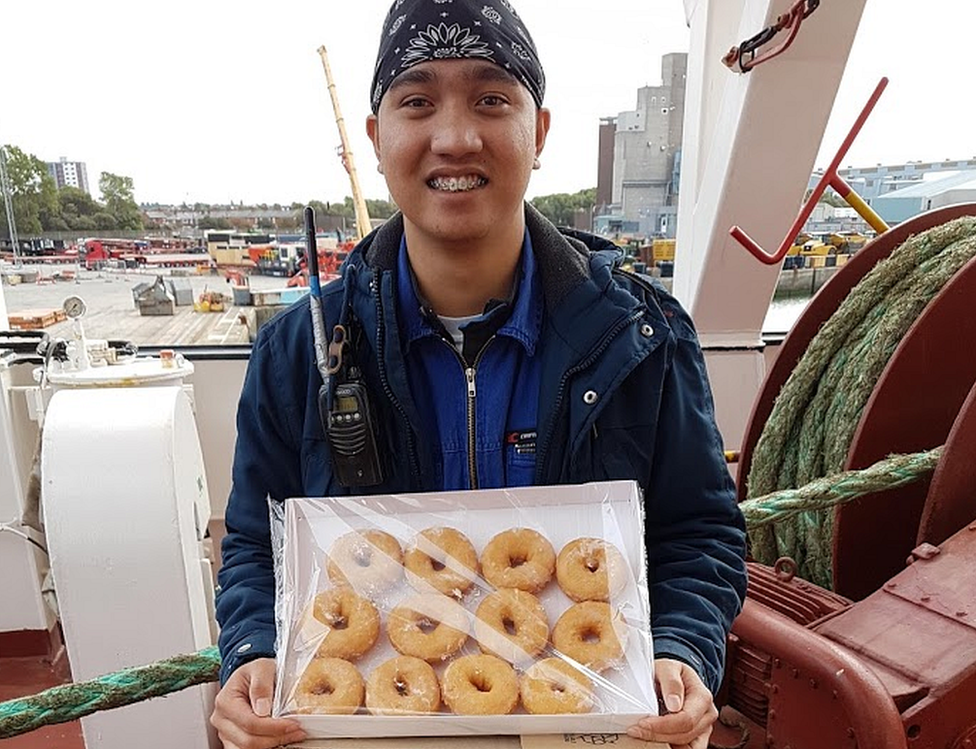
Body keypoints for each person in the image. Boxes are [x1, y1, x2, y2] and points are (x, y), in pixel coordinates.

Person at [211, 1, 747, 747]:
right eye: (418, 100)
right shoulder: (294, 355)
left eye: (492, 98)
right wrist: (252, 651)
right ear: (376, 136)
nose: (456, 137)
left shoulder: (643, 338)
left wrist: (681, 650)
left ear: (541, 131)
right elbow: (253, 544)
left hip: (590, 726)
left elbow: (698, 531)